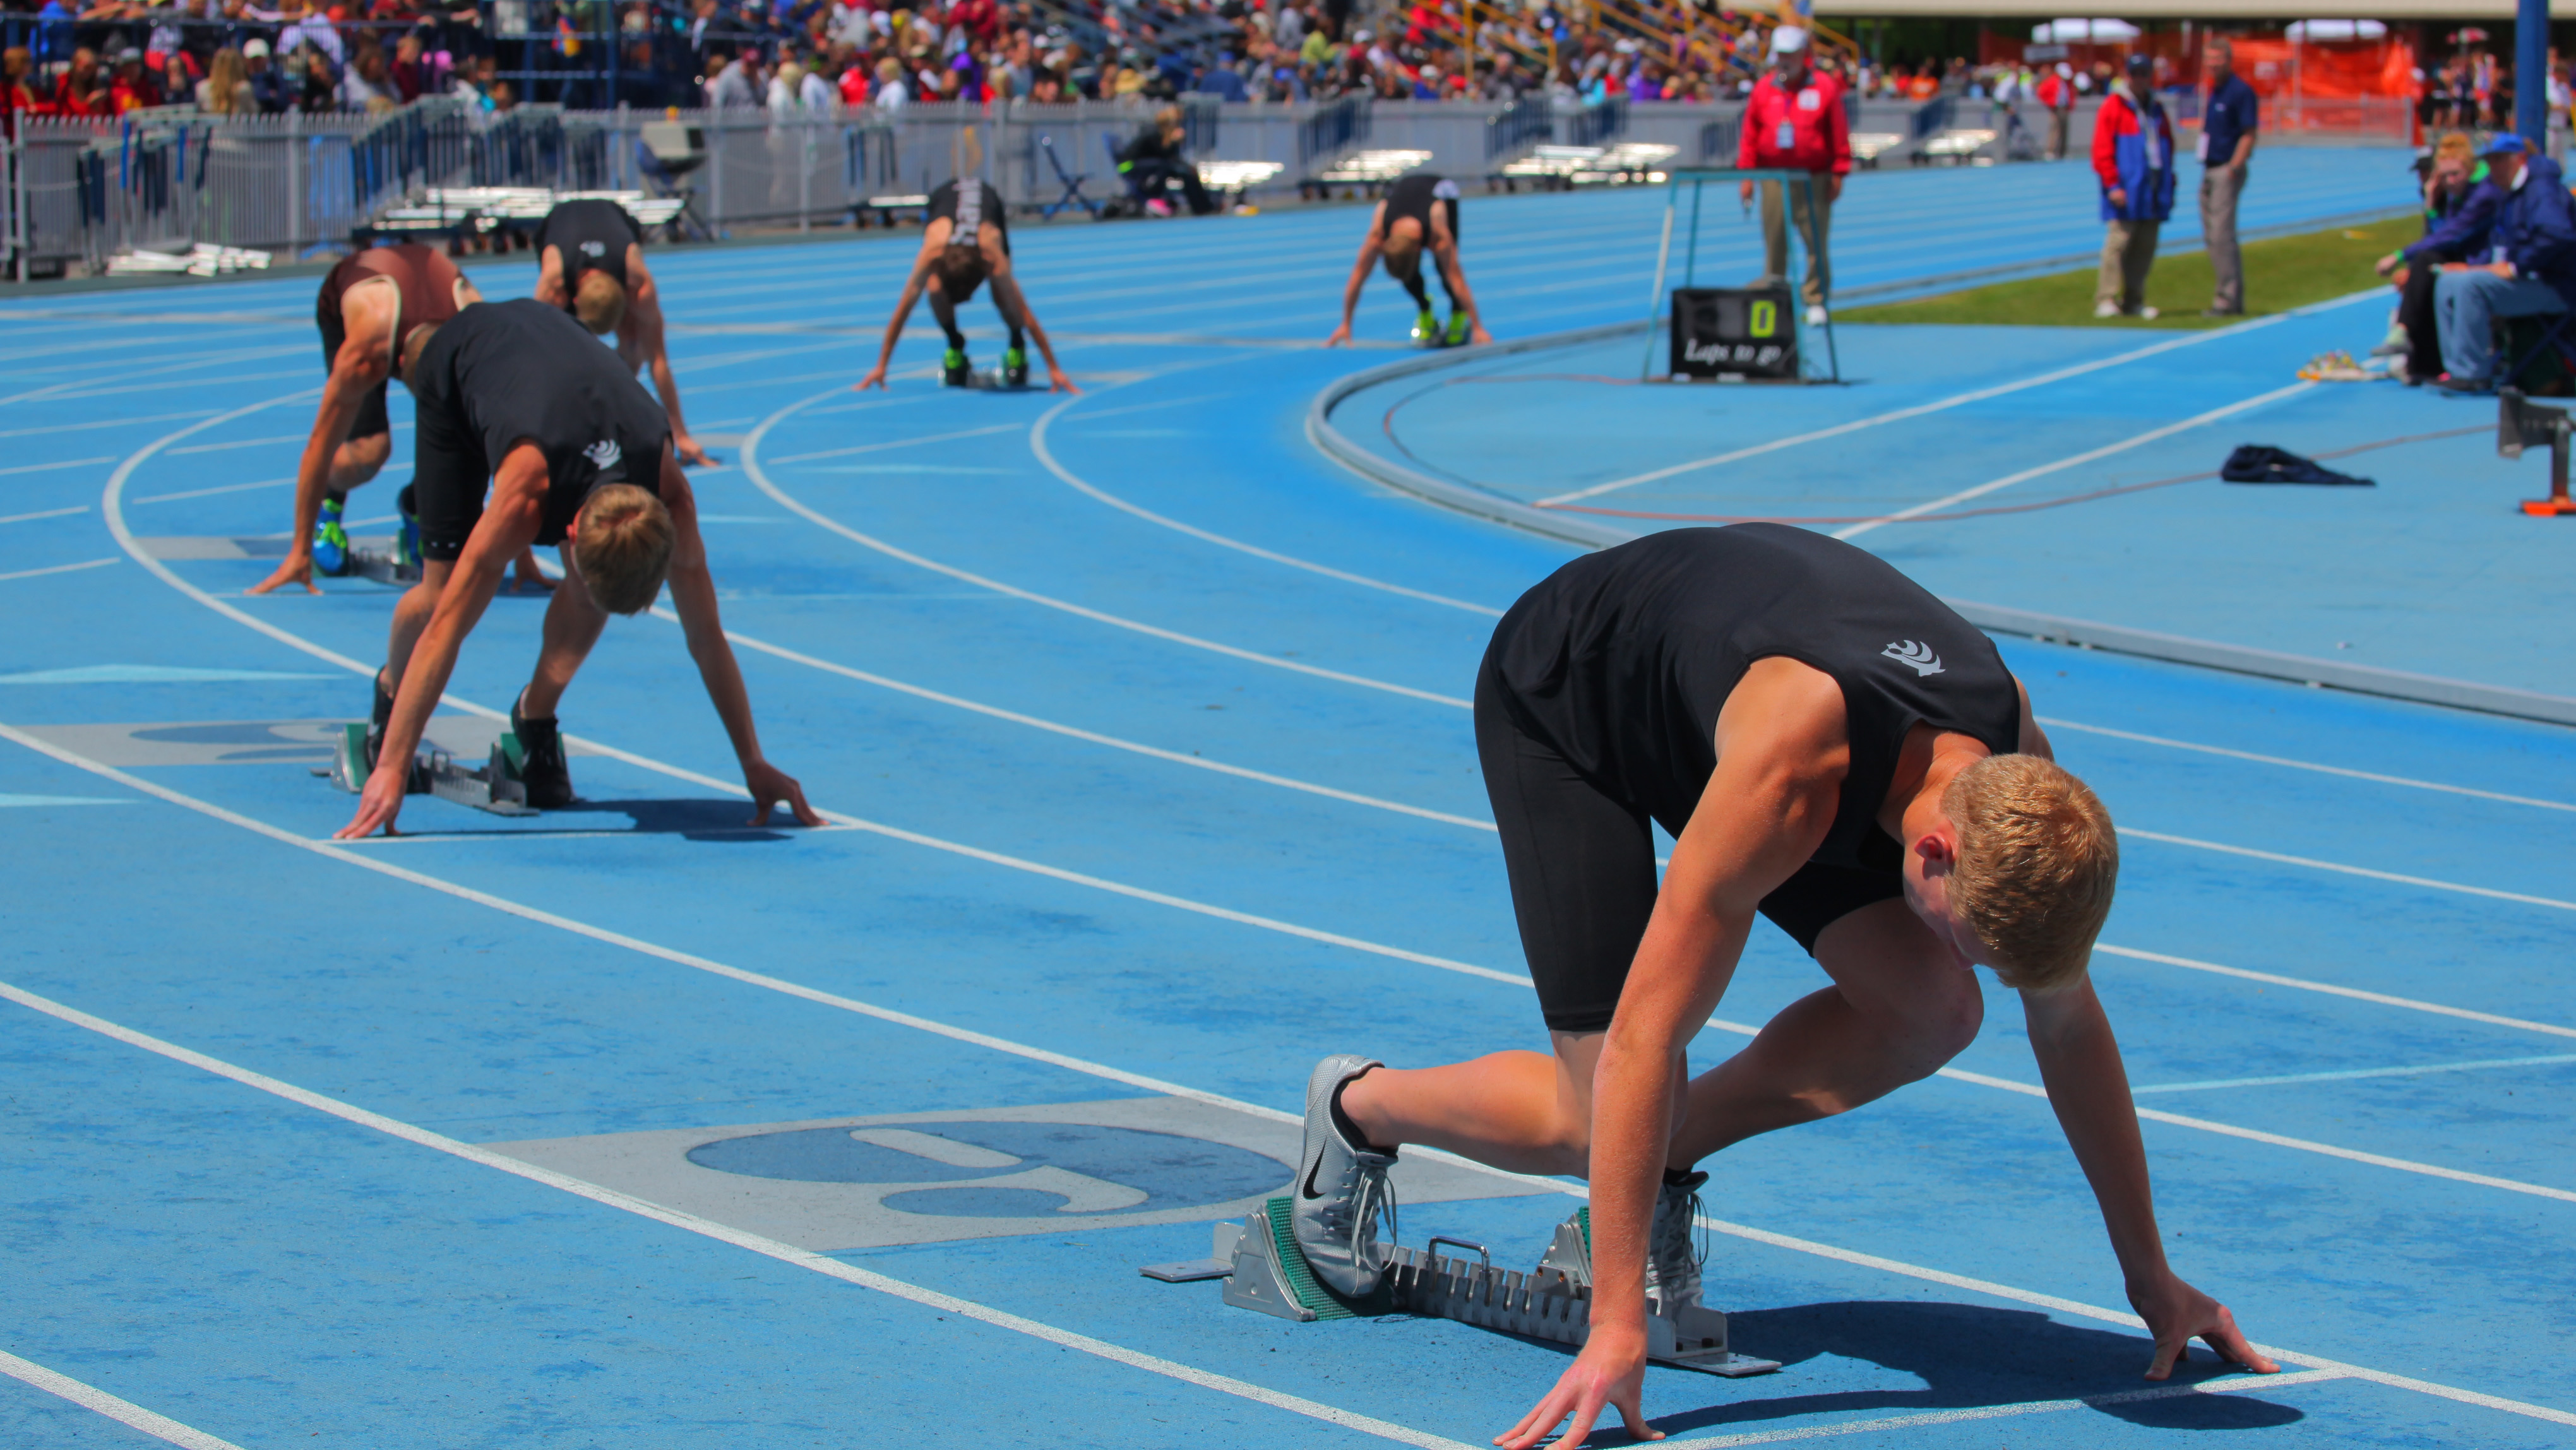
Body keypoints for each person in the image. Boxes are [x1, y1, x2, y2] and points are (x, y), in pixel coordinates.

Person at [1288, 525, 2279, 1450]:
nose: (1968, 956)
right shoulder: (1790, 776)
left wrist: (2150, 1275)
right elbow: (1646, 1035)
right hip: (1575, 696)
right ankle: (1359, 1109)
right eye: (1969, 936)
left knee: (1936, 1010)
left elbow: (2067, 1028)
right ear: (1934, 854)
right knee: (1596, 1119)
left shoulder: (2013, 764)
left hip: (1748, 692)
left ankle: (1656, 1165)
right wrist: (1617, 1321)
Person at [335, 298, 821, 838]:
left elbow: (706, 635)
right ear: (568, 534)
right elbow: (446, 627)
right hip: (463, 365)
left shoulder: (672, 498)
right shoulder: (524, 496)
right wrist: (393, 765)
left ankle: (534, 717)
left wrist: (753, 762)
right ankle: (389, 695)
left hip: (554, 357)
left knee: (588, 595)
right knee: (439, 592)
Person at [249, 244, 556, 597]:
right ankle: (331, 510)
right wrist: (298, 554)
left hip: (427, 300)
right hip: (357, 300)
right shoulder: (366, 355)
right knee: (367, 453)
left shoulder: (477, 335)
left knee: (468, 440)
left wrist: (524, 559)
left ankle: (415, 507)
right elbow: (319, 445)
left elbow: (509, 453)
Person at [531, 197, 713, 466]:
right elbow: (537, 360)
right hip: (558, 221)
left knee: (635, 342)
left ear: (627, 299)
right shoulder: (554, 286)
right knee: (561, 354)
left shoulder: (639, 286)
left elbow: (659, 361)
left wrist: (682, 434)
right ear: (575, 301)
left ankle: (608, 406)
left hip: (615, 216)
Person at [854, 175, 1076, 391]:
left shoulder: (991, 254)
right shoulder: (933, 251)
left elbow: (1024, 310)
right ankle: (955, 344)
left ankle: (1017, 343)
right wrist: (881, 366)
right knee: (934, 288)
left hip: (988, 202)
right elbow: (904, 308)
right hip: (945, 196)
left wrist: (1054, 368)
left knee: (1004, 294)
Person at [2423, 134, 2576, 395]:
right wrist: (2479, 268)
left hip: (2557, 285)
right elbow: (2500, 245)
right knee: (2449, 279)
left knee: (2472, 287)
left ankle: (2473, 373)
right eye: (2491, 162)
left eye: (2500, 161)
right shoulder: (2509, 192)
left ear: (2520, 159)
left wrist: (2517, 267)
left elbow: (2556, 235)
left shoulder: (2542, 190)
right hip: (2530, 277)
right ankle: (2456, 368)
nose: (2494, 168)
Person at [1735, 25, 1847, 329]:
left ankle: (1815, 299)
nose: (1784, 62)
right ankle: (1775, 297)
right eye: (1780, 56)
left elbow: (1837, 131)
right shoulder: (1764, 89)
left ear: (1803, 55)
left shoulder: (1823, 87)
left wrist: (1839, 172)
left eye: (1790, 55)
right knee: (1775, 241)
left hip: (1813, 177)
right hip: (1773, 176)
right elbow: (1750, 136)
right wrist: (1746, 177)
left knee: (1815, 241)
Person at [2376, 133, 2494, 385]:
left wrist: (2399, 256)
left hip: (2486, 259)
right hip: (2463, 253)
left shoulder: (2483, 193)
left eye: (2455, 174)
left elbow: (2453, 233)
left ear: (2469, 169)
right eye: (2445, 175)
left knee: (2432, 271)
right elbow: (2442, 234)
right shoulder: (2452, 192)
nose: (2450, 181)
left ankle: (2411, 339)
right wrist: (2430, 201)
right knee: (2427, 269)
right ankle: (2423, 364)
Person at [1324, 172, 1490, 348]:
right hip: (1402, 192)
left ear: (1420, 249)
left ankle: (1458, 314)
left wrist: (1478, 328)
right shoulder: (1377, 235)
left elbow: (1457, 279)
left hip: (1442, 192)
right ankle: (1425, 309)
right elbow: (1358, 276)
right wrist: (1346, 323)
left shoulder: (1437, 233)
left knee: (1446, 270)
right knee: (1405, 271)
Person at [2091, 54, 2174, 320]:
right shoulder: (2114, 106)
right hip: (2127, 185)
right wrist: (2113, 183)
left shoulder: (2156, 109)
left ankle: (2134, 299)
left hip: (2152, 186)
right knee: (2119, 242)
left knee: (2144, 246)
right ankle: (2107, 297)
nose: (2140, 79)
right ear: (2127, 75)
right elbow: (2102, 150)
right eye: (2135, 73)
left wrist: (2168, 183)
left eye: (2144, 73)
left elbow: (2166, 147)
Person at [2197, 39, 2258, 318]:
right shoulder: (2215, 91)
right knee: (2212, 236)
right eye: (2209, 59)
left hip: (2226, 169)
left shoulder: (2239, 92)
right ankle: (2231, 296)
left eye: (2218, 59)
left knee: (2222, 236)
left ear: (2229, 60)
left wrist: (2235, 167)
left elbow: (2249, 133)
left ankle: (2227, 299)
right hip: (2209, 167)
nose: (2213, 64)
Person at [1118, 104, 1217, 217]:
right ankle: (1154, 195)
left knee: (1187, 173)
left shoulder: (1163, 135)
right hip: (1128, 165)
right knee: (1165, 166)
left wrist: (1187, 167)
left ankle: (1203, 207)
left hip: (1153, 164)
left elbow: (1171, 158)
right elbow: (1164, 156)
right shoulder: (1153, 133)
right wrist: (1175, 142)